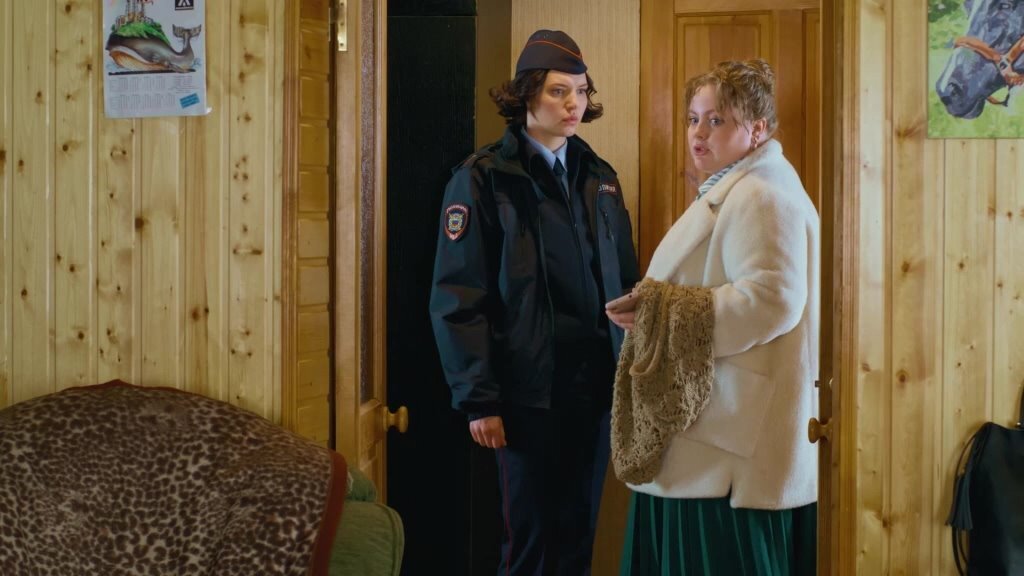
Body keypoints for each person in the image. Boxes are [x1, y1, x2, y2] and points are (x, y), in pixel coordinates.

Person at [429, 29, 640, 576]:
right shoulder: (482, 178)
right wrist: (479, 399)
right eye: (558, 91)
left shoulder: (601, 179)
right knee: (529, 545)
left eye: (581, 92)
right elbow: (458, 296)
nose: (574, 105)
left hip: (593, 393)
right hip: (525, 398)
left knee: (577, 539)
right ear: (527, 95)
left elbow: (626, 284)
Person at [605, 59, 820, 575]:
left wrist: (664, 320)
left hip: (728, 442)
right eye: (693, 119)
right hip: (715, 432)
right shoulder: (736, 186)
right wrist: (652, 308)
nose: (698, 133)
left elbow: (772, 299)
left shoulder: (761, 195)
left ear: (757, 128)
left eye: (716, 120)